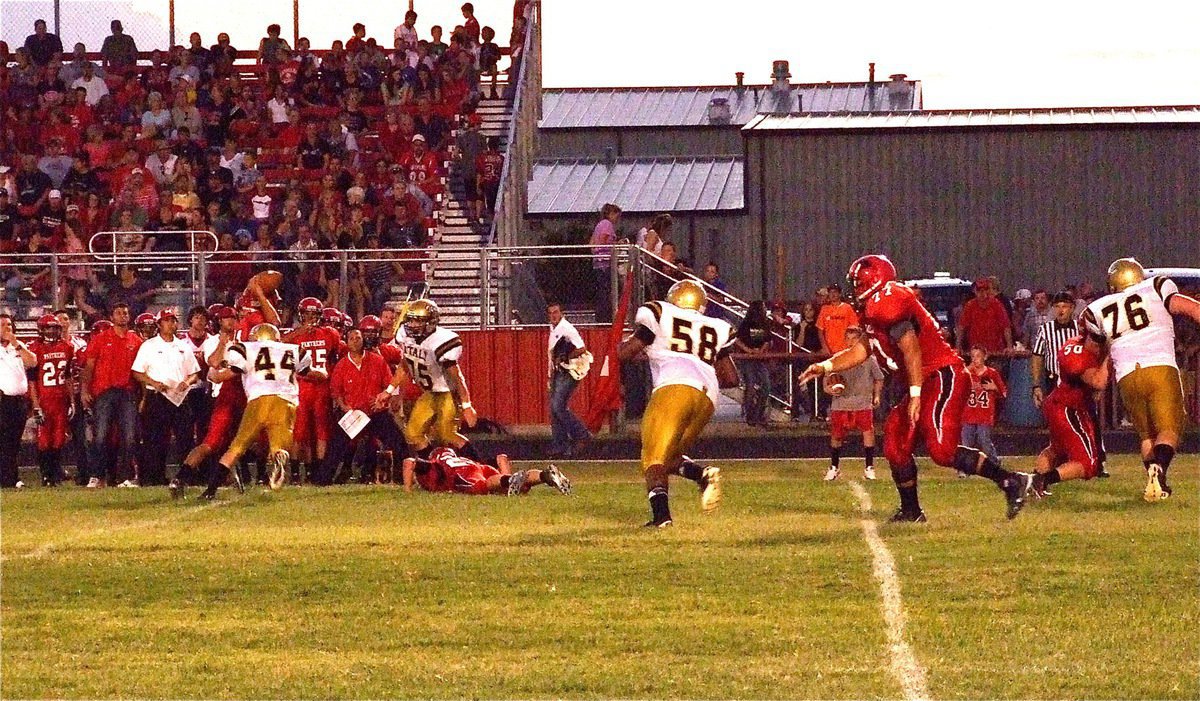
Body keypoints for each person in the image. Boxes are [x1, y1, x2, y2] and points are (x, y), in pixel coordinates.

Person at [799, 255, 1032, 522]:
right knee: (895, 442)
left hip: (942, 375)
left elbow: (910, 347)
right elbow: (863, 349)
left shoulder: (888, 301)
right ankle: (911, 511)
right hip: (922, 380)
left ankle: (1011, 480)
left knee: (942, 451)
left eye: (857, 283)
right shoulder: (874, 309)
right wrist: (826, 366)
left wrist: (915, 395)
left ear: (872, 281)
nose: (854, 289)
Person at [617, 280, 740, 527]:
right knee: (670, 455)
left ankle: (662, 518)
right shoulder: (716, 326)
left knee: (652, 458)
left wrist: (618, 348)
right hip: (706, 396)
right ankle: (702, 475)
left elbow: (626, 353)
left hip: (673, 387)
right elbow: (731, 378)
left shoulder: (660, 312)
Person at [1082, 258, 1200, 501]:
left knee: (1147, 436)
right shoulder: (1156, 286)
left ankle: (1156, 484)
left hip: (1127, 376)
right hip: (1159, 366)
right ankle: (1160, 470)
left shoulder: (1097, 308)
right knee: (1169, 428)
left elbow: (1091, 350)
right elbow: (1190, 308)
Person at [201, 323, 318, 499]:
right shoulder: (292, 349)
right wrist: (323, 374)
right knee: (279, 444)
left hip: (259, 399)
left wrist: (212, 375)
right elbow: (309, 372)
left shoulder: (246, 348)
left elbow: (223, 375)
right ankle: (279, 455)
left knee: (237, 446)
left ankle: (210, 491)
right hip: (286, 401)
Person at [381, 299, 483, 463]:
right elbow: (405, 365)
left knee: (446, 434)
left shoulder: (441, 341)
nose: (412, 325)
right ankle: (433, 467)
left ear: (430, 322)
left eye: (417, 321)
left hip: (447, 393)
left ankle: (478, 465)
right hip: (429, 392)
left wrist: (466, 405)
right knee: (413, 433)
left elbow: (457, 377)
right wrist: (389, 390)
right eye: (411, 320)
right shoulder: (407, 337)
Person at [319, 326, 409, 485]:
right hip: (354, 414)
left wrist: (382, 402)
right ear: (346, 342)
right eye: (351, 339)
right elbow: (336, 391)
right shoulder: (341, 365)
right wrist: (344, 407)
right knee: (336, 444)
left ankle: (405, 476)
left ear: (363, 340)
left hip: (375, 412)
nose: (355, 341)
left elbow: (389, 384)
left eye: (358, 338)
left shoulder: (377, 360)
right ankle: (323, 479)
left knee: (398, 440)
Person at [1030, 335, 1110, 497]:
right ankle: (1042, 480)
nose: (1097, 348)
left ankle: (1034, 483)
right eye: (1095, 343)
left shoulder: (1073, 344)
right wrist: (1109, 356)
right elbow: (1098, 382)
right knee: (1088, 464)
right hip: (1068, 408)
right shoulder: (1078, 355)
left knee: (1057, 450)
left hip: (1059, 404)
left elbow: (1095, 391)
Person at [131, 309, 202, 487]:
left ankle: (186, 476)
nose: (171, 324)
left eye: (173, 320)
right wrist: (154, 383)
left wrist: (187, 382)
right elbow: (137, 372)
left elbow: (194, 373)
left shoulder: (183, 346)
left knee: (185, 438)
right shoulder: (149, 346)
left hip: (179, 396)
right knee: (155, 440)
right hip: (158, 396)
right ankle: (154, 478)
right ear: (159, 324)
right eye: (167, 321)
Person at [80, 303, 143, 488]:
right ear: (111, 317)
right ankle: (97, 475)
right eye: (119, 313)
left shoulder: (136, 340)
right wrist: (85, 390)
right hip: (104, 391)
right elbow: (89, 367)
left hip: (127, 391)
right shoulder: (100, 339)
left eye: (125, 313)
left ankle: (124, 477)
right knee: (100, 436)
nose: (123, 316)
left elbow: (141, 369)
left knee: (129, 436)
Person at [282, 296, 341, 483]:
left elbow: (336, 357)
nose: (309, 318)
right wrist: (297, 333)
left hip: (322, 386)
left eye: (313, 314)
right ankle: (296, 471)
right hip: (301, 385)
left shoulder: (330, 333)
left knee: (322, 430)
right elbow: (277, 345)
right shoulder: (294, 335)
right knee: (299, 431)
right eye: (306, 314)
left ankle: (318, 471)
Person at [822, 326, 883, 482]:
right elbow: (826, 377)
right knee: (836, 436)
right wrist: (828, 388)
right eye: (848, 338)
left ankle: (869, 467)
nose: (850, 342)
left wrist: (876, 396)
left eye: (854, 339)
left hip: (862, 401)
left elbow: (879, 378)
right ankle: (834, 467)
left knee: (868, 433)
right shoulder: (838, 357)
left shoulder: (869, 359)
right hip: (841, 402)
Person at [28, 315, 76, 486]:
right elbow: (32, 380)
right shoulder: (34, 348)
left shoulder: (67, 347)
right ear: (41, 329)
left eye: (54, 328)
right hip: (44, 399)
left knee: (58, 439)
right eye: (48, 328)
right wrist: (35, 405)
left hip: (60, 399)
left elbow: (68, 376)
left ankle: (55, 474)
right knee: (44, 440)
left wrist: (71, 401)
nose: (52, 331)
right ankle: (46, 475)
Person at [402, 447, 572, 496]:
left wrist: (407, 490)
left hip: (463, 474)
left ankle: (510, 481)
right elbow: (501, 457)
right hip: (478, 467)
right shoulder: (458, 458)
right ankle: (545, 475)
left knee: (484, 486)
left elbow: (409, 462)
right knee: (520, 489)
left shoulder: (433, 464)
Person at [546, 301, 592, 457]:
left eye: (556, 312)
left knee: (558, 406)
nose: (553, 315)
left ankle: (581, 434)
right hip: (560, 371)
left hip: (570, 370)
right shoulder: (554, 329)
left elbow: (582, 348)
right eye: (551, 313)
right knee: (554, 409)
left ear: (561, 314)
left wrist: (566, 357)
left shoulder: (566, 329)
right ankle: (560, 445)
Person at [0, 313, 37, 489]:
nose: (6, 328)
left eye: (9, 325)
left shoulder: (19, 347)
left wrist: (16, 344)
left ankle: (11, 476)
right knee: (4, 441)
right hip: (2, 399)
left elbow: (33, 362)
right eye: (2, 325)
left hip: (19, 401)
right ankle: (8, 479)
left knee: (14, 441)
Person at [960, 346, 1008, 477]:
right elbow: (957, 384)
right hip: (968, 413)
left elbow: (1003, 393)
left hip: (985, 414)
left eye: (978, 356)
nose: (975, 359)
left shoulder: (992, 374)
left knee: (984, 441)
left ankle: (994, 462)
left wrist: (994, 388)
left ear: (984, 357)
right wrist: (967, 370)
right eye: (972, 356)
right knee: (966, 443)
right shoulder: (967, 374)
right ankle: (965, 468)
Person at [735, 301, 773, 427]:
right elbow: (737, 339)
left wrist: (760, 350)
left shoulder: (765, 324)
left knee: (766, 385)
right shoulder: (746, 324)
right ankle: (750, 415)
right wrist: (749, 350)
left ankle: (759, 413)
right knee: (750, 385)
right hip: (748, 359)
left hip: (760, 359)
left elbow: (768, 340)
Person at [956, 277, 1012, 355]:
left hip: (995, 351)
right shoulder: (970, 305)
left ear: (988, 290)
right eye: (979, 290)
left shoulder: (996, 304)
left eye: (985, 289)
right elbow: (962, 327)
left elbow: (1006, 326)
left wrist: (1009, 346)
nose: (982, 293)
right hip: (976, 351)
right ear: (975, 291)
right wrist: (958, 347)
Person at [590, 203, 621, 323]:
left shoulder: (599, 225)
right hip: (605, 263)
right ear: (611, 214)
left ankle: (601, 317)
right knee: (608, 291)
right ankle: (606, 318)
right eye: (616, 216)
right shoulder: (607, 225)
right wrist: (613, 246)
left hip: (598, 263)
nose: (617, 220)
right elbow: (602, 242)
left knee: (602, 291)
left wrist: (595, 254)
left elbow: (592, 243)